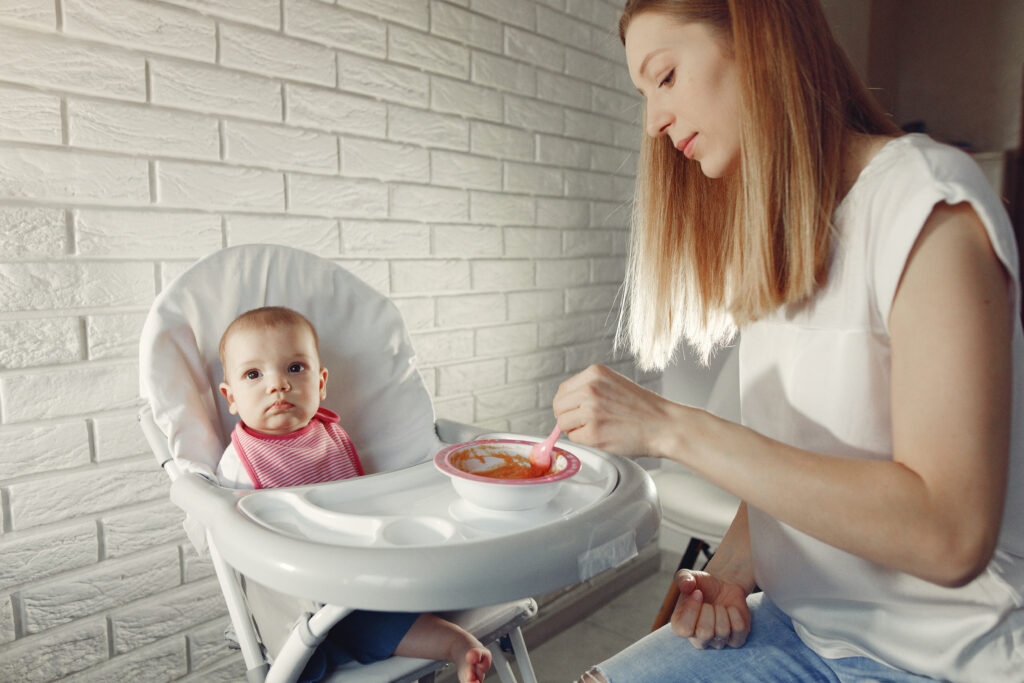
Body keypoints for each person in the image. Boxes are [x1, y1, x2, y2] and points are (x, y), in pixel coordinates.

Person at [553, 1, 1024, 681]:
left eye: (665, 77)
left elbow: (950, 534)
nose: (652, 122)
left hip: (946, 660)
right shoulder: (784, 240)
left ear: (756, 39)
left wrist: (671, 427)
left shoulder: (927, 205)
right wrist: (729, 570)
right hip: (803, 630)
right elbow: (805, 464)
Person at [217, 306, 492, 683]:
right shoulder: (239, 464)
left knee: (399, 610)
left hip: (360, 574)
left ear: (321, 382)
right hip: (299, 595)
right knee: (332, 640)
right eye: (254, 374)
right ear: (231, 398)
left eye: (295, 368)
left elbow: (363, 502)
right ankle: (448, 643)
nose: (277, 384)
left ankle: (458, 646)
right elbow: (234, 537)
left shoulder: (332, 438)